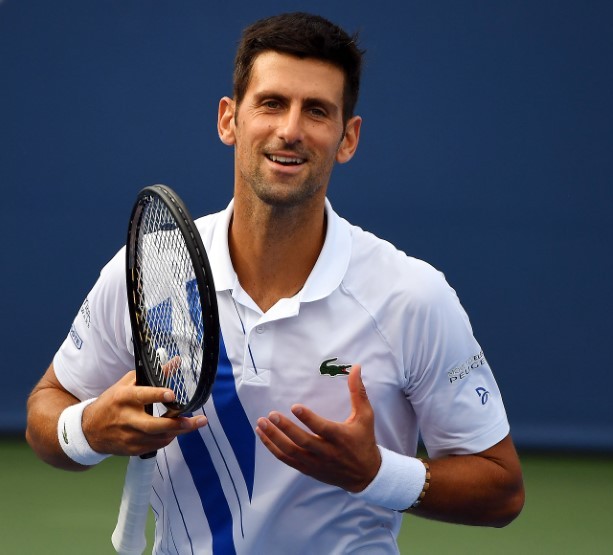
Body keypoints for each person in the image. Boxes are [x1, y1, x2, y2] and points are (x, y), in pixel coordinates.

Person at [26, 12, 524, 554]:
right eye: (271, 103)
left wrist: (378, 474)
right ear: (229, 120)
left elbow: (501, 490)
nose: (290, 129)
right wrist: (89, 428)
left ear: (347, 138)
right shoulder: (150, 271)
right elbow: (48, 407)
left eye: (317, 111)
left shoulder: (412, 297)